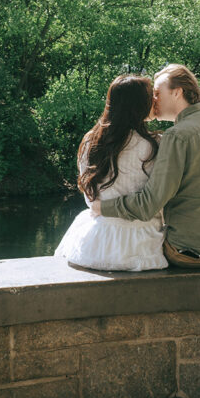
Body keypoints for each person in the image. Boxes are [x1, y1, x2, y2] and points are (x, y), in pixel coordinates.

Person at [91, 64, 200, 268]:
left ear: (177, 92)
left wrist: (102, 207)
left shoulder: (177, 136)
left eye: (157, 93)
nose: (152, 100)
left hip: (194, 253)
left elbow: (148, 205)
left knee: (127, 250)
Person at [54, 74, 168, 271]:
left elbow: (91, 201)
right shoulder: (156, 144)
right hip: (141, 244)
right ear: (139, 104)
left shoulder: (91, 141)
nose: (155, 101)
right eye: (151, 96)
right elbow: (157, 202)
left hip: (97, 243)